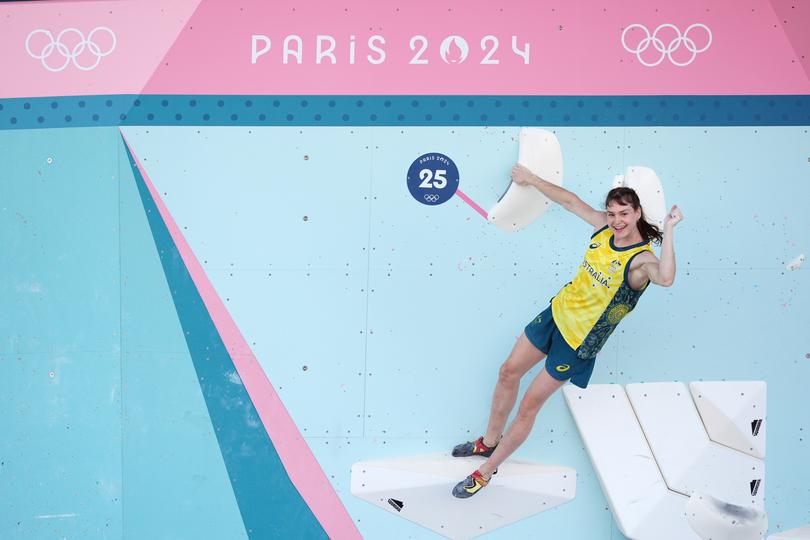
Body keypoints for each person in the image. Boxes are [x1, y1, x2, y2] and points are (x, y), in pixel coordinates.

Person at [451, 163, 684, 498]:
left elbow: (666, 278)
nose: (617, 220)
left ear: (637, 214)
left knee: (529, 406)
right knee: (507, 372)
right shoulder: (604, 228)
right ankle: (488, 443)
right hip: (556, 315)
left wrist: (670, 230)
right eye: (612, 212)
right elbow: (570, 201)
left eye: (624, 214)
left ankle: (487, 471)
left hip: (578, 343)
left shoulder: (640, 260)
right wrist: (531, 179)